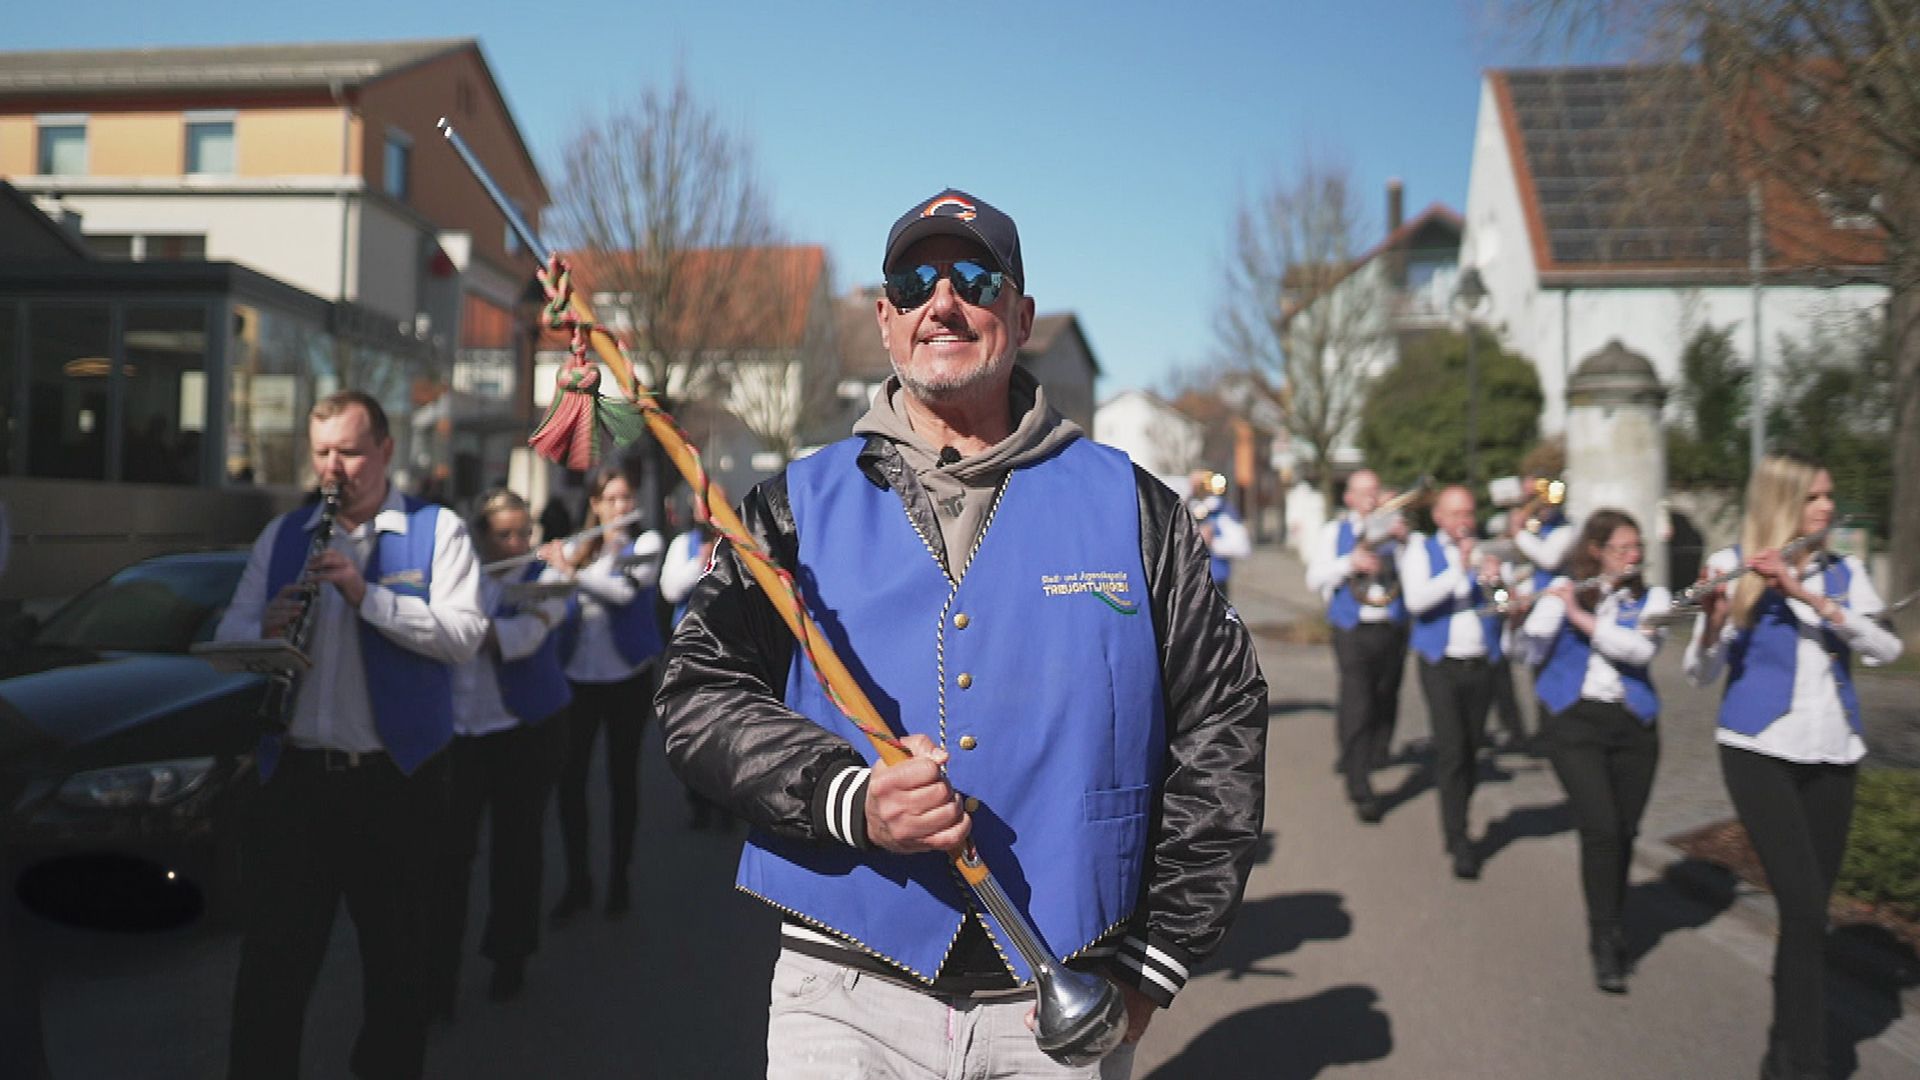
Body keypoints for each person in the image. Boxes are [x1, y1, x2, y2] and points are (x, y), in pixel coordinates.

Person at [656, 188, 1268, 1079]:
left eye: (974, 279)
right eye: (912, 283)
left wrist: (1157, 959)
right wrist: (848, 798)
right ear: (885, 320)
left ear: (1019, 317)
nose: (941, 303)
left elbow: (1223, 721)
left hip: (1059, 996)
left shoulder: (1136, 508)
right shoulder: (788, 509)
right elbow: (696, 698)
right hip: (845, 995)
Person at [214, 389, 486, 1080]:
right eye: (323, 452)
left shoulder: (438, 530)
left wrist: (370, 596)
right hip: (297, 782)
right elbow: (229, 635)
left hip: (396, 783)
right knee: (270, 979)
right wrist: (264, 629)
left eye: (351, 451)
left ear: (387, 451)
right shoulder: (285, 536)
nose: (334, 468)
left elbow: (463, 637)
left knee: (398, 980)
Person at [1683, 452, 1903, 1080]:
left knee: (1805, 916)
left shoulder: (1845, 572)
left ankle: (1782, 1055)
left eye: (1829, 498)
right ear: (1783, 503)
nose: (1827, 509)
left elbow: (1886, 647)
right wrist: (1712, 622)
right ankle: (1807, 1064)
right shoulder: (1732, 566)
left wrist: (1804, 593)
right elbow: (1700, 676)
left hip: (1833, 751)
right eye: (1813, 499)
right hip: (1758, 749)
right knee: (1807, 910)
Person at [428, 490, 573, 1016]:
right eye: (504, 535)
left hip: (523, 730)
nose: (517, 543)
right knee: (448, 858)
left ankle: (510, 957)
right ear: (480, 537)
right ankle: (436, 976)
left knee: (517, 849)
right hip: (460, 733)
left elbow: (528, 635)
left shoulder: (543, 578)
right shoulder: (453, 577)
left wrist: (464, 633)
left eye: (523, 532)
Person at [1516, 509, 1669, 994]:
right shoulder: (1565, 587)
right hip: (1574, 722)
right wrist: (1529, 615)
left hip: (1634, 725)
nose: (1633, 556)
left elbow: (1641, 652)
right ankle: (1604, 939)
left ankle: (1613, 917)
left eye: (1636, 547)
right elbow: (1530, 652)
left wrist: (1581, 618)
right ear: (1596, 551)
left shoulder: (1654, 597)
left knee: (1625, 831)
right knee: (1600, 826)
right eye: (1622, 548)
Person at [540, 461, 665, 922]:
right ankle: (578, 881)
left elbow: (622, 594)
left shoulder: (646, 545)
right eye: (610, 499)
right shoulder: (579, 548)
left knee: (622, 781)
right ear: (594, 505)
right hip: (578, 677)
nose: (620, 507)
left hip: (627, 678)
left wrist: (570, 567)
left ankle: (619, 878)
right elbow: (549, 591)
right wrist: (557, 564)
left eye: (626, 498)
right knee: (570, 782)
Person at [1399, 484, 1505, 881]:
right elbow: (1417, 602)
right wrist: (1459, 570)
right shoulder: (1420, 550)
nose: (1464, 521)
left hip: (1482, 662)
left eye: (1469, 513)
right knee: (1451, 748)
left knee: (1473, 748)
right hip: (1439, 662)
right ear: (1439, 517)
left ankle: (1460, 812)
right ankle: (1458, 837)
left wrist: (1495, 582)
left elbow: (1501, 606)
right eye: (1456, 513)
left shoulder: (1485, 551)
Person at [1305, 468, 1410, 824]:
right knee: (1357, 698)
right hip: (1351, 626)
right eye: (1362, 492)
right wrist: (1349, 562)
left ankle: (1367, 751)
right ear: (1348, 498)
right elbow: (1314, 577)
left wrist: (1405, 542)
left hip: (1391, 624)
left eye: (1375, 490)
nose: (1370, 498)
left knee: (1385, 696)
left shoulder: (1397, 531)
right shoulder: (1335, 532)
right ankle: (1359, 782)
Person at [658, 504, 730, 830]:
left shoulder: (738, 542)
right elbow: (671, 589)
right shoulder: (682, 544)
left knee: (729, 730)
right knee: (693, 729)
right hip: (690, 648)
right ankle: (698, 802)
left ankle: (728, 804)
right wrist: (699, 561)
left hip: (732, 648)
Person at [1187, 470, 1250, 599]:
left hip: (1216, 581)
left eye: (1200, 484)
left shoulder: (1222, 512)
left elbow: (1242, 547)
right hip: (1189, 581)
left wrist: (1212, 542)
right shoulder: (1185, 508)